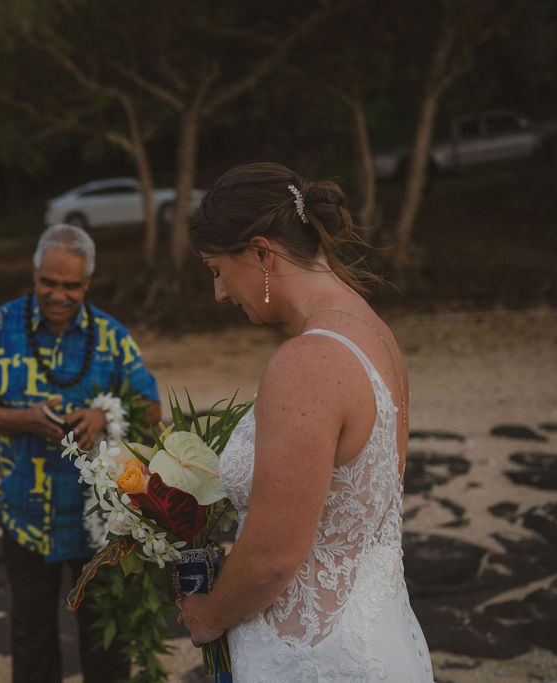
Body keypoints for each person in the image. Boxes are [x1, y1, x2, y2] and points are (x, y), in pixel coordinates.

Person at [177, 162, 434, 681]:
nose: (219, 293)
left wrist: (207, 616)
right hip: (380, 636)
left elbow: (273, 557)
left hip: (314, 659)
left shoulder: (306, 363)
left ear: (261, 253)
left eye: (216, 269)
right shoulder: (373, 333)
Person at [0, 224, 162, 683]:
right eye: (48, 282)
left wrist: (102, 414)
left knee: (105, 642)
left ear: (87, 283)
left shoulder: (110, 336)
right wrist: (26, 420)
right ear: (34, 274)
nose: (58, 294)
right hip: (25, 514)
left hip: (100, 521)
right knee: (32, 637)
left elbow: (151, 407)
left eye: (71, 285)